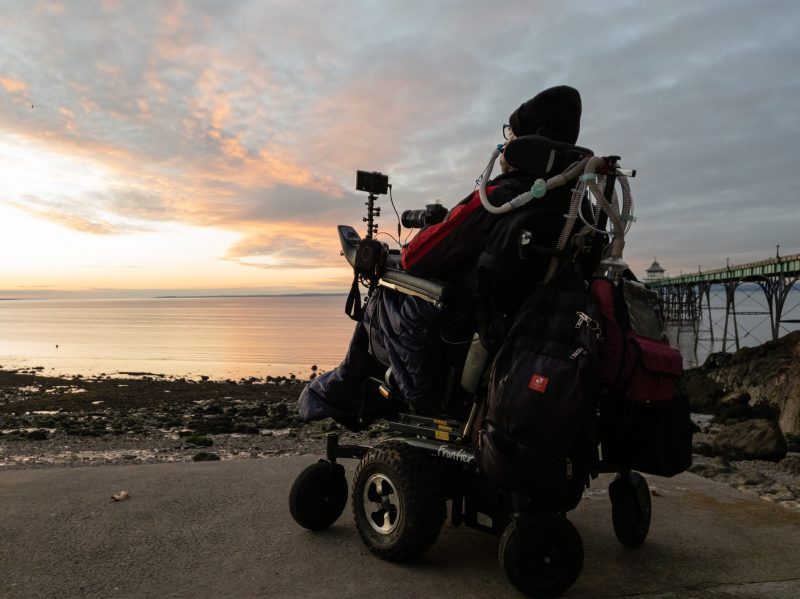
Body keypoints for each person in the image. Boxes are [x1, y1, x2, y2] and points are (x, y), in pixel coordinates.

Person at [298, 85, 584, 426]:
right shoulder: (579, 210)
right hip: (522, 348)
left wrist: (437, 228)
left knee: (385, 283)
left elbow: (416, 258)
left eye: (511, 134)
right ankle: (354, 386)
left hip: (452, 349)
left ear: (526, 142)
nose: (504, 144)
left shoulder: (501, 199)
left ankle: (345, 387)